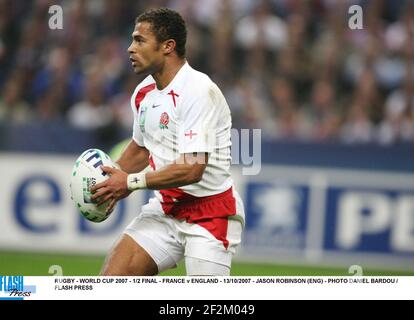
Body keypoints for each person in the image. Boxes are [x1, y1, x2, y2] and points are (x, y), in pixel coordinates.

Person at [91, 7, 245, 276]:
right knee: (111, 283)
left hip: (210, 214)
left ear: (167, 46)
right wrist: (104, 181)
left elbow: (192, 169)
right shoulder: (143, 93)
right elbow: (140, 149)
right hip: (165, 207)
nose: (130, 48)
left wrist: (128, 182)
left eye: (139, 40)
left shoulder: (198, 90)